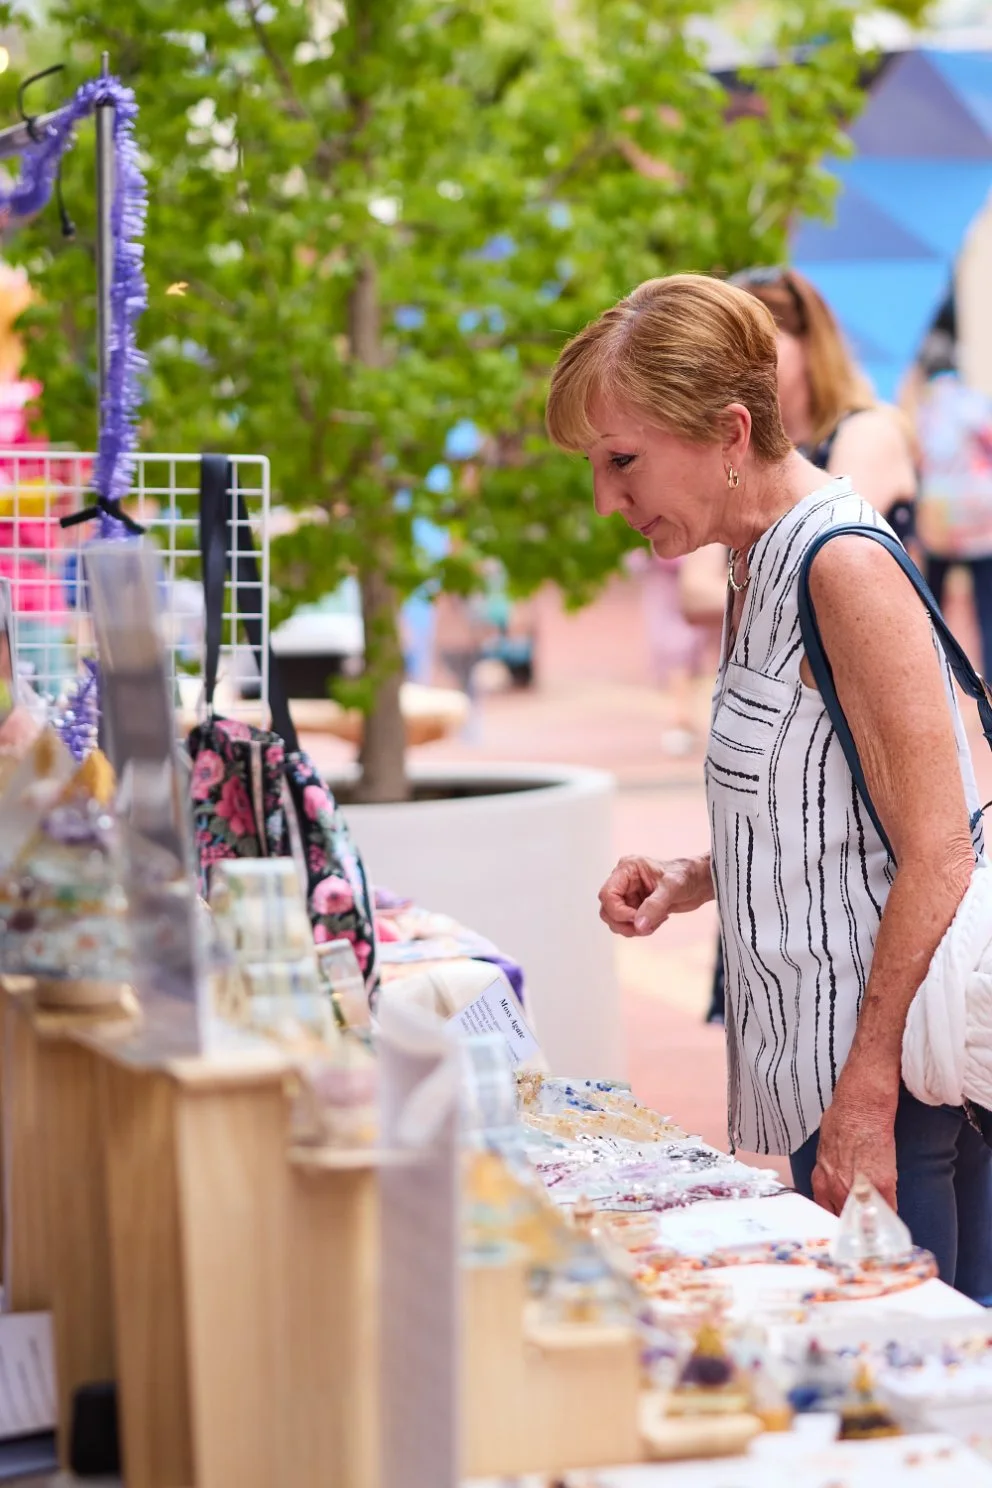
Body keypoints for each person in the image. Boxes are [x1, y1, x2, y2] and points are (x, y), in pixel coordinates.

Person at [545, 273, 992, 1301]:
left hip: (895, 1099)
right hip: (831, 1082)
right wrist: (693, 873)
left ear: (728, 431)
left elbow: (936, 851)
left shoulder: (837, 563)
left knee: (916, 1405)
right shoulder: (756, 561)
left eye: (620, 462)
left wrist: (865, 1096)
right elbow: (832, 808)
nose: (608, 499)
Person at [728, 266, 918, 543]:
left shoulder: (866, 433)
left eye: (761, 344)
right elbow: (697, 579)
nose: (743, 363)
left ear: (808, 342)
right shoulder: (747, 447)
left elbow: (824, 543)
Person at [914, 329, 992, 682]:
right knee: (987, 609)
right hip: (980, 519)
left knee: (933, 607)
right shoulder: (974, 403)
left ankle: (932, 676)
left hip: (938, 521)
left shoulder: (920, 410)